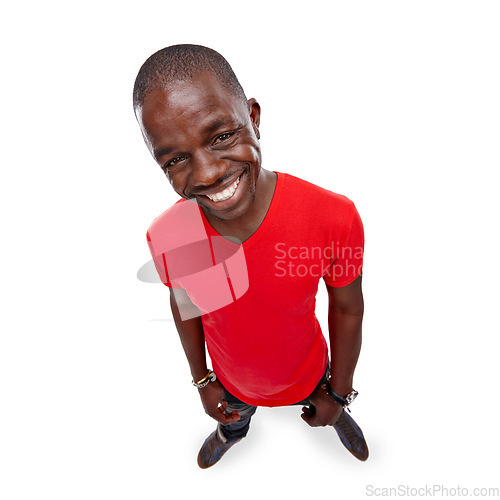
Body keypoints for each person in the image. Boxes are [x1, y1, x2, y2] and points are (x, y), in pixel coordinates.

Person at [133, 44, 368, 468]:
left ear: (254, 118)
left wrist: (338, 391)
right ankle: (232, 430)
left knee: (327, 407)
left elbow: (348, 308)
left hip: (312, 374)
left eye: (222, 136)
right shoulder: (168, 234)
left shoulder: (333, 216)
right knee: (234, 416)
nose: (206, 174)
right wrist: (203, 380)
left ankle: (337, 414)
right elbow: (185, 305)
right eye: (176, 159)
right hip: (231, 382)